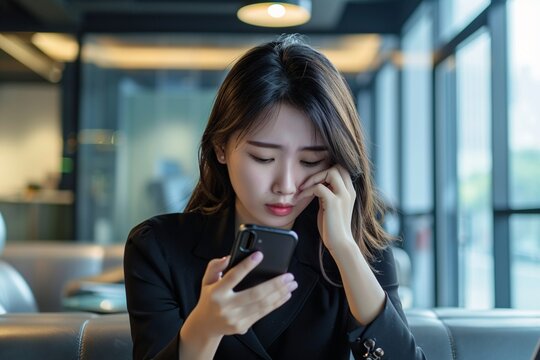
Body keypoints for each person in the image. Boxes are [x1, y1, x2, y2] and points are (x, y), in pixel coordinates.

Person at [124, 34, 425, 360]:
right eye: (264, 158)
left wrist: (345, 251)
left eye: (310, 162)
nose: (286, 184)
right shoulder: (158, 248)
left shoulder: (359, 248)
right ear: (221, 148)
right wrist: (204, 330)